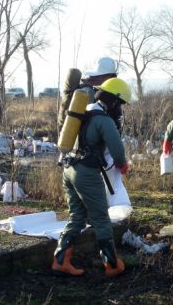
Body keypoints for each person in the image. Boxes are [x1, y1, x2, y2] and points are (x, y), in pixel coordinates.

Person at [51, 77, 131, 277]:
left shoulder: (83, 112)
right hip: (86, 173)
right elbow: (117, 151)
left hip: (68, 170)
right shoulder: (103, 120)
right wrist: (122, 165)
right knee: (101, 219)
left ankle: (60, 260)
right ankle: (112, 265)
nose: (120, 109)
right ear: (112, 101)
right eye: (119, 104)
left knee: (77, 217)